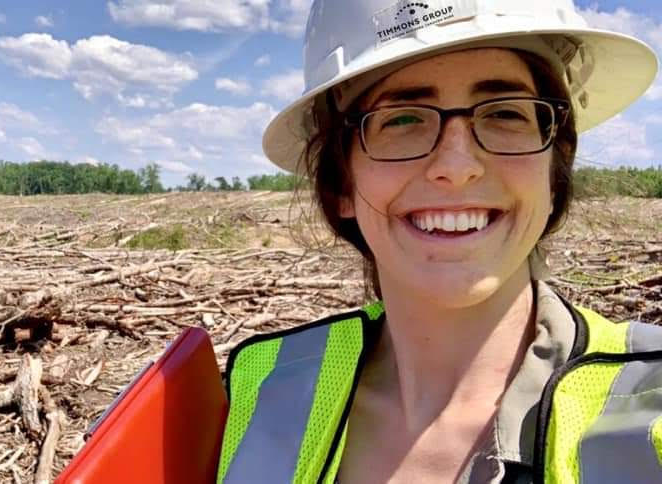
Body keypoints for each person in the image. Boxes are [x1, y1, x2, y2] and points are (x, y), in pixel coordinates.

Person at [215, 0, 660, 483]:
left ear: (555, 168)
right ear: (342, 181)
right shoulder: (254, 396)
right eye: (402, 119)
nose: (457, 164)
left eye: (506, 113)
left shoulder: (650, 402)